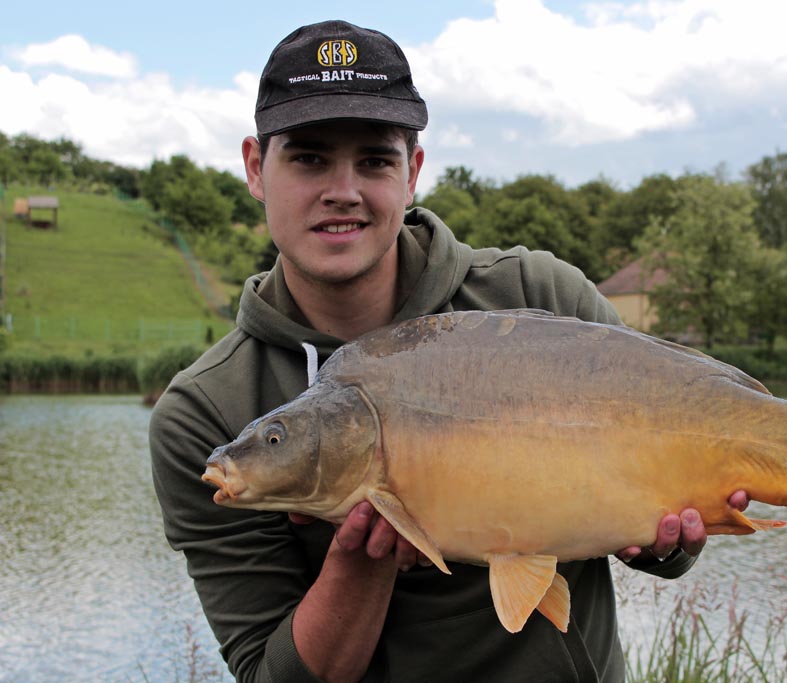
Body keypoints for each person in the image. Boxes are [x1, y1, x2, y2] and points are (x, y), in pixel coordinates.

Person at [149, 19, 748, 683]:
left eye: (375, 159)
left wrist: (665, 548)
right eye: (309, 157)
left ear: (414, 174)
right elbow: (272, 675)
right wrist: (361, 561)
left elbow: (669, 531)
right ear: (257, 168)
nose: (342, 188)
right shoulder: (204, 413)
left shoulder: (537, 295)